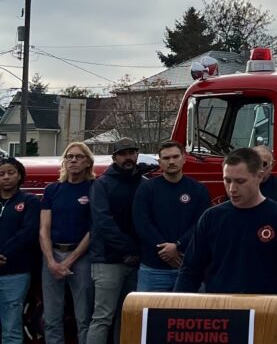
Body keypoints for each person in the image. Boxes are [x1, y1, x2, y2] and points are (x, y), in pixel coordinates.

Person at [174, 147, 277, 344]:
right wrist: (176, 307)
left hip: (263, 315)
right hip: (218, 318)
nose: (232, 188)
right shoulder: (211, 218)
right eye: (227, 180)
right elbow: (190, 269)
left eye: (240, 181)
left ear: (259, 176)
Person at [87, 137, 147, 344]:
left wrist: (138, 252)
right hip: (107, 260)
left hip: (138, 261)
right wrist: (131, 249)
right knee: (102, 317)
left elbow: (147, 221)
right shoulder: (101, 184)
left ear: (137, 154)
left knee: (129, 318)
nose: (128, 157)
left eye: (131, 152)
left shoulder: (144, 183)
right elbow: (103, 223)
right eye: (123, 154)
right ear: (114, 158)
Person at [132, 140, 210, 293]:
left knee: (189, 316)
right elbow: (142, 223)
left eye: (175, 157)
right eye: (166, 158)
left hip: (188, 268)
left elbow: (201, 225)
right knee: (149, 316)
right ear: (160, 162)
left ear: (184, 158)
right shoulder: (146, 189)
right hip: (153, 270)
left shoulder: (199, 190)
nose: (171, 161)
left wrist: (178, 245)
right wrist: (165, 249)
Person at [39, 142, 96, 344]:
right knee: (52, 318)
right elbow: (44, 229)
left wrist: (69, 261)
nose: (73, 160)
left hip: (81, 259)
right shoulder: (52, 190)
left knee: (84, 317)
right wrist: (51, 261)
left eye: (79, 157)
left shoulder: (94, 189)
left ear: (88, 162)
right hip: (52, 258)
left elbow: (93, 230)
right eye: (69, 156)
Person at [0, 156, 41, 344]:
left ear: (19, 176)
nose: (6, 177)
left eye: (11, 172)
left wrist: (4, 253)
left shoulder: (30, 201)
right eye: (1, 174)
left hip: (15, 273)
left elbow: (29, 232)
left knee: (11, 326)